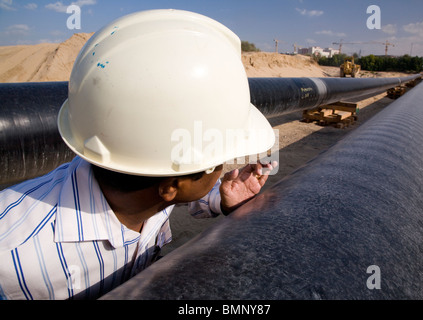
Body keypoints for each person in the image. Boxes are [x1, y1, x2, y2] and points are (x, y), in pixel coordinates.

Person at [0, 9, 276, 299]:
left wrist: (222, 199)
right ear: (170, 186)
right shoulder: (12, 255)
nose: (222, 169)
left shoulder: (142, 183)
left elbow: (178, 196)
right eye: (218, 164)